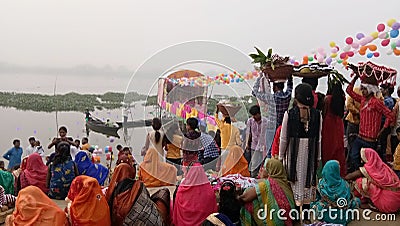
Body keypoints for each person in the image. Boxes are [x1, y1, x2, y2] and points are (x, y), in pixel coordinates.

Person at [279, 83, 322, 208]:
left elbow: (283, 139)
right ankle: (307, 217)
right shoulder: (317, 114)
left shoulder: (290, 113)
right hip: (310, 156)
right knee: (307, 184)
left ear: (296, 97)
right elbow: (319, 139)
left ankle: (296, 217)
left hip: (293, 156)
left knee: (294, 183)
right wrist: (318, 158)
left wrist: (281, 157)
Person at [346, 75, 394, 173]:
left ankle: (365, 180)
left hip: (370, 140)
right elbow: (349, 91)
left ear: (370, 89)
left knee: (368, 164)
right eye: (362, 89)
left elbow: (390, 115)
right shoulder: (363, 100)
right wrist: (355, 77)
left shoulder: (377, 102)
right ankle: (359, 179)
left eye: (364, 89)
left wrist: (382, 130)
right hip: (360, 137)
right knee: (353, 157)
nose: (362, 91)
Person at [239, 158, 295, 225]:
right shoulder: (285, 183)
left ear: (270, 171)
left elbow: (245, 197)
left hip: (277, 220)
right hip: (289, 219)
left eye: (265, 168)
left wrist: (236, 197)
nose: (262, 169)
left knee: (250, 204)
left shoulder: (268, 184)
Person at [345, 148, 400, 213]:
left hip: (387, 205)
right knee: (371, 183)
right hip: (397, 202)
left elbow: (349, 177)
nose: (362, 159)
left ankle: (368, 203)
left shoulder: (369, 168)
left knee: (360, 181)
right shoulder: (384, 167)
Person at [311, 160, 360, 225]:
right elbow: (349, 200)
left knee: (316, 204)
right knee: (357, 201)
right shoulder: (345, 184)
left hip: (327, 216)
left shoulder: (321, 185)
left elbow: (315, 200)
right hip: (343, 217)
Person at [321, 82, 347, 177]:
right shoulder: (342, 98)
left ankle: (327, 170)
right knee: (338, 147)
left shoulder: (328, 99)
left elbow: (324, 112)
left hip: (328, 124)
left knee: (328, 147)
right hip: (339, 124)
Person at [245, 105, 268, 177]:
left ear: (259, 113)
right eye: (253, 115)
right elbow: (248, 133)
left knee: (264, 165)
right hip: (254, 146)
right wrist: (247, 144)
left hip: (264, 146)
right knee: (254, 164)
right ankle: (253, 180)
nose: (254, 117)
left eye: (255, 115)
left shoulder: (266, 121)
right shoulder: (250, 121)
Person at [345, 86, 361, 170]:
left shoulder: (375, 92)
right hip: (353, 122)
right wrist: (359, 112)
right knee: (351, 146)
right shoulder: (355, 90)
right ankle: (350, 167)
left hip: (363, 124)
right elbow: (348, 104)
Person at [378, 83, 396, 162]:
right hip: (384, 124)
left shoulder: (387, 101)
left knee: (382, 144)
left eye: (382, 89)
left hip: (383, 124)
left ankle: (382, 161)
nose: (380, 91)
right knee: (383, 144)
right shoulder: (388, 100)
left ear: (386, 90)